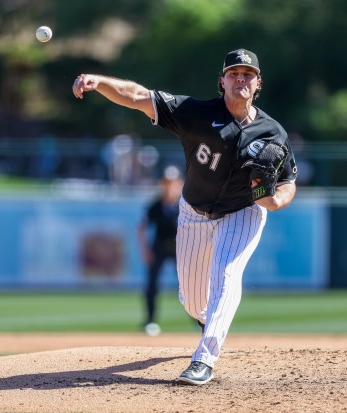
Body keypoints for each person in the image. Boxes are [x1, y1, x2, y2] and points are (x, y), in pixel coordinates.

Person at [72, 48, 298, 385]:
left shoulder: (272, 132)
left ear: (258, 83)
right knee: (193, 300)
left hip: (243, 212)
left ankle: (204, 359)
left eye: (247, 74)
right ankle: (207, 321)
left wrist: (278, 200)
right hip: (194, 212)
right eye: (234, 73)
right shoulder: (195, 113)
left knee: (226, 275)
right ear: (221, 81)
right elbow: (138, 97)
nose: (241, 79)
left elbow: (288, 180)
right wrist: (99, 80)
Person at [137, 165, 183, 337]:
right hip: (159, 247)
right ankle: (150, 321)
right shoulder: (155, 205)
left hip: (180, 249)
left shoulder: (185, 204)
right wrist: (145, 249)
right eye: (166, 182)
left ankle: (199, 321)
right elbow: (141, 228)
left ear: (179, 183)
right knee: (152, 285)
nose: (169, 185)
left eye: (172, 182)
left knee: (189, 285)